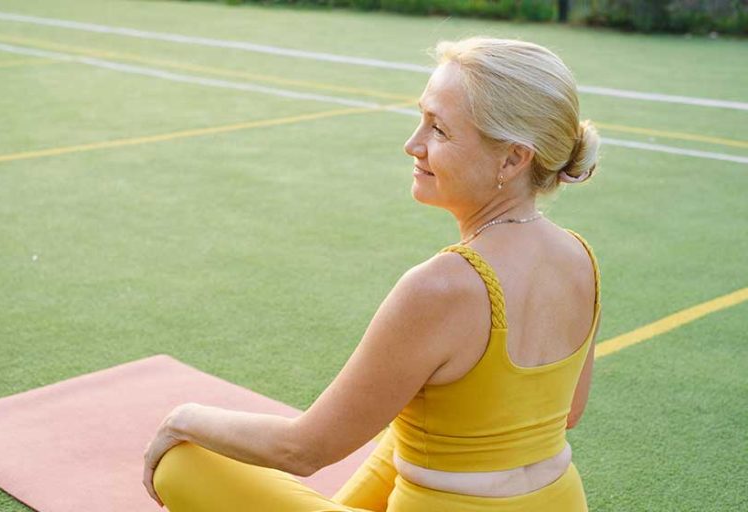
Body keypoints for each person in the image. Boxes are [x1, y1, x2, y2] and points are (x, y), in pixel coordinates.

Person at [143, 36, 602, 512]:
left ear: (512, 158)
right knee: (415, 414)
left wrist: (183, 418)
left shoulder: (444, 286)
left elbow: (302, 449)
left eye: (439, 130)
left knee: (180, 462)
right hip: (561, 501)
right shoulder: (580, 257)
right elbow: (568, 412)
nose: (413, 144)